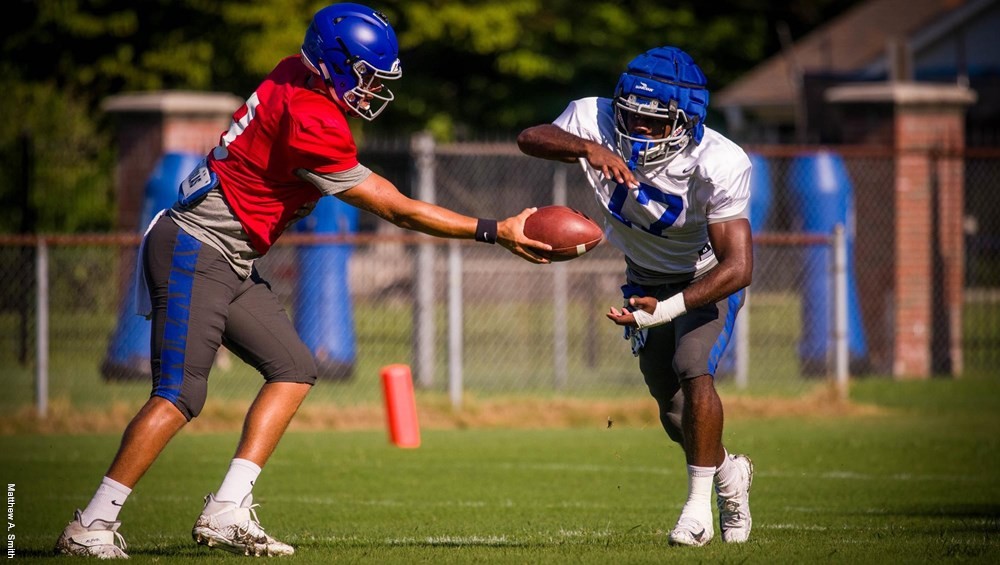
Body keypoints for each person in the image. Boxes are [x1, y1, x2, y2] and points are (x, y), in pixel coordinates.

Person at [54, 3, 550, 559]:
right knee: (180, 394)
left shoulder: (296, 69)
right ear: (334, 65)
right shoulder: (311, 116)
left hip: (229, 255)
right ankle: (91, 524)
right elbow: (397, 208)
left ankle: (227, 510)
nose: (373, 92)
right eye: (365, 77)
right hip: (197, 247)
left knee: (293, 367)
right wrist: (494, 230)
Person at [517, 46, 754, 547]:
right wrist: (586, 148)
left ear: (687, 120)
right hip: (642, 276)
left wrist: (668, 310)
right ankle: (731, 472)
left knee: (695, 366)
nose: (636, 132)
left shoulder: (719, 160)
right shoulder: (593, 119)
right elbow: (530, 137)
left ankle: (698, 513)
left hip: (704, 277)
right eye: (630, 117)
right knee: (674, 415)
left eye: (652, 122)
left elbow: (739, 267)